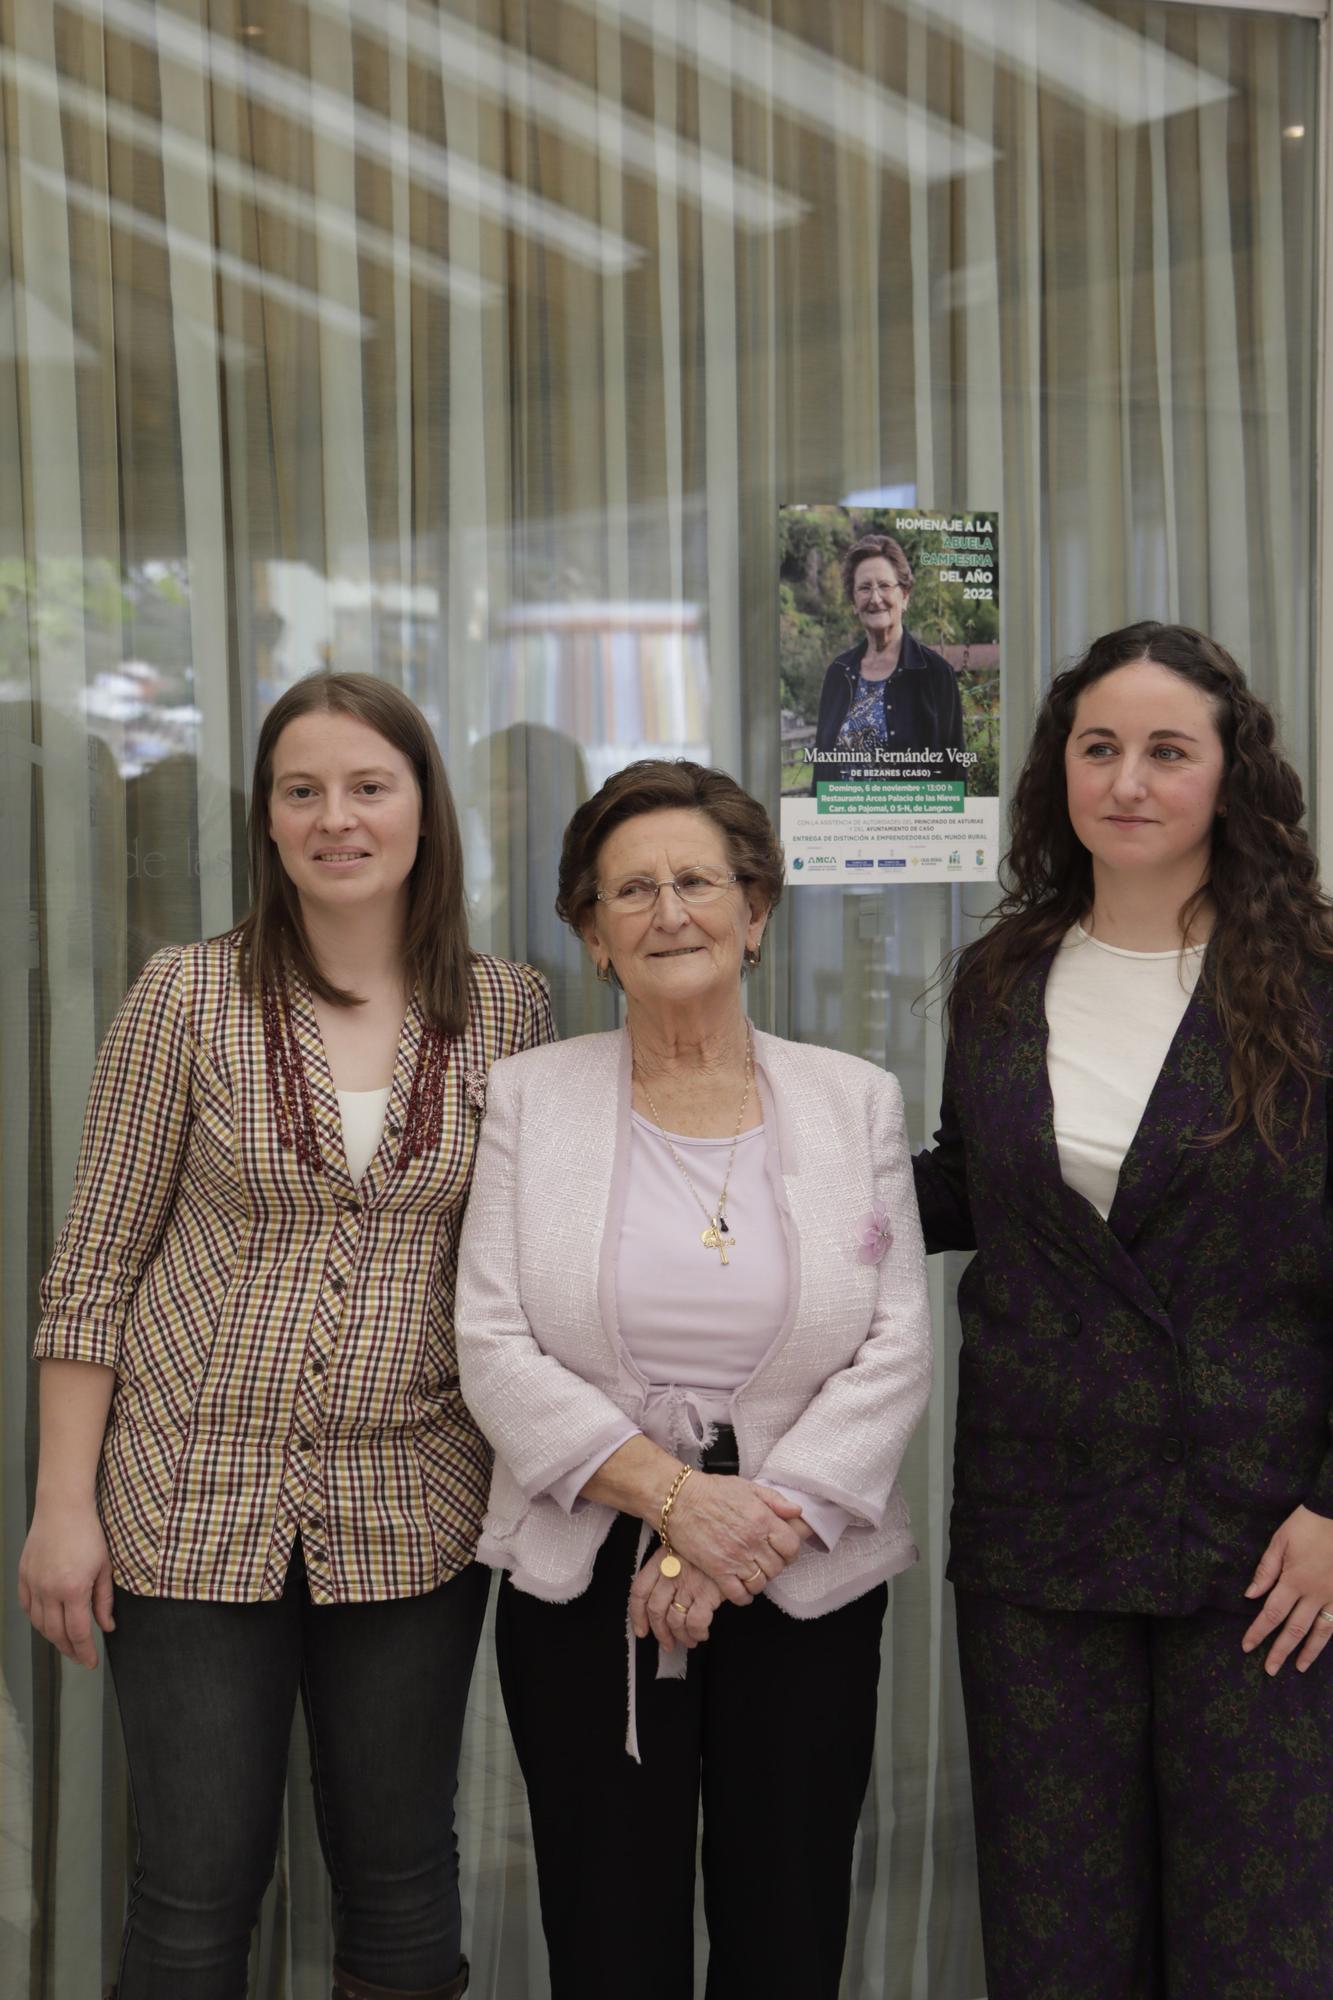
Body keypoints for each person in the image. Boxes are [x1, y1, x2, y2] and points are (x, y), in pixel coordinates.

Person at [18, 672, 554, 2000]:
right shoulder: (185, 997)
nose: (336, 819)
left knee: (401, 1888)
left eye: (369, 786)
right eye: (301, 792)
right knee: (195, 1897)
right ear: (266, 821)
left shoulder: (510, 1012)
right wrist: (60, 1506)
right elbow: (93, 1268)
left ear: (424, 810)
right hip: (187, 1498)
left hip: (415, 1504)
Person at [454, 758, 932, 2000]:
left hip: (801, 1563)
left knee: (787, 1929)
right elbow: (493, 1339)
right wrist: (677, 1504)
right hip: (586, 1562)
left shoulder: (854, 1099)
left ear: (755, 910)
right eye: (631, 889)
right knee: (610, 1935)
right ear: (592, 932)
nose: (670, 910)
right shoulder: (527, 1097)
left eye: (698, 880)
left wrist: (739, 1532)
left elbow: (894, 1342)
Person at [913, 622, 1333, 1997]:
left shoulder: (1314, 986)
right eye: (1100, 748)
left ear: (1230, 776)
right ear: (1059, 772)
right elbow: (968, 1192)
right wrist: (732, 1151)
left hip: (1268, 1542)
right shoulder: (1001, 979)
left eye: (1168, 750)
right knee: (1056, 1937)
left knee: (1259, 1942)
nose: (1129, 781)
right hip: (1043, 1524)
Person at [810, 531, 965, 792]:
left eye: (884, 585)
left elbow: (955, 773)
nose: (875, 598)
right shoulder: (838, 672)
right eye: (864, 587)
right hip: (843, 829)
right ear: (853, 602)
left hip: (912, 829)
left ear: (904, 595)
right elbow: (821, 770)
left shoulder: (936, 674)